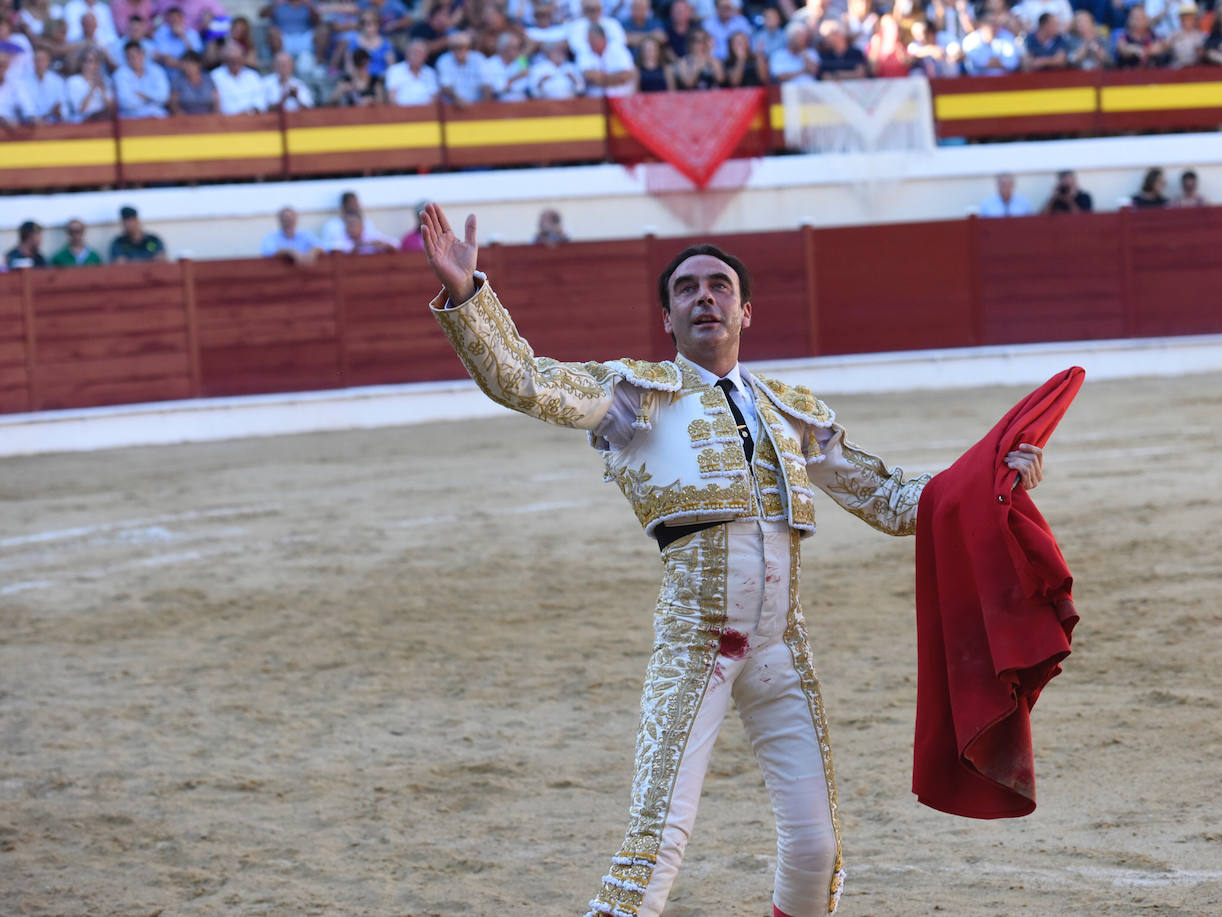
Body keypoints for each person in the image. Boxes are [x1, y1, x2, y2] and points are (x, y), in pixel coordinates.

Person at [418, 203, 1046, 917]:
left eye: (719, 286)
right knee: (653, 846)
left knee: (818, 850)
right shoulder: (634, 397)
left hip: (783, 645)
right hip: (694, 644)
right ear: (668, 318)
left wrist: (998, 477)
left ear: (746, 311)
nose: (704, 297)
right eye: (686, 289)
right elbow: (524, 380)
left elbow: (893, 498)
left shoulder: (790, 410)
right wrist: (470, 295)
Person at [113, 41, 170, 117]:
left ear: (143, 54)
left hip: (157, 115)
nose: (135, 59)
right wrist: (152, 99)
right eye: (130, 57)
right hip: (130, 118)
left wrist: (142, 95)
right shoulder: (120, 74)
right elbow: (125, 103)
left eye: (137, 55)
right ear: (126, 58)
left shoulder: (156, 70)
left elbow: (164, 96)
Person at [577, 22, 636, 96]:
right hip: (594, 100)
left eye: (592, 38)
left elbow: (625, 75)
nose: (589, 41)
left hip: (620, 98)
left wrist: (600, 78)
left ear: (602, 38)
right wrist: (615, 77)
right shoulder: (584, 51)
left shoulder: (618, 50)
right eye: (589, 39)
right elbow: (588, 76)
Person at [211, 39, 266, 113]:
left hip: (252, 118)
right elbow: (218, 105)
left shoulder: (253, 76)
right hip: (227, 121)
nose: (235, 63)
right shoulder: (215, 76)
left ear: (243, 59)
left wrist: (249, 111)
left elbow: (260, 101)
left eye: (238, 59)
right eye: (232, 60)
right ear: (225, 60)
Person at [435, 30, 486, 106]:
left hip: (477, 105)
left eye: (462, 46)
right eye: (455, 47)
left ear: (469, 47)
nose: (459, 50)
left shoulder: (478, 59)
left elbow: (486, 85)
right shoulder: (444, 60)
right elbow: (445, 86)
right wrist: (458, 100)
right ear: (450, 48)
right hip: (452, 107)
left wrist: (484, 107)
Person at [385, 38, 439, 104]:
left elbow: (434, 98)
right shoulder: (394, 70)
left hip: (425, 112)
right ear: (407, 54)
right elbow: (392, 98)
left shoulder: (431, 73)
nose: (416, 56)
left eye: (419, 53)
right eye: (413, 52)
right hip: (400, 111)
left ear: (426, 56)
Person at [26, 46, 66, 123]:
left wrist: (59, 111)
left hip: (54, 125)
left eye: (43, 60)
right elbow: (28, 111)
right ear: (32, 61)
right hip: (32, 126)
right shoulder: (23, 82)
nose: (40, 63)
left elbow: (63, 107)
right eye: (37, 60)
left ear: (49, 62)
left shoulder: (57, 80)